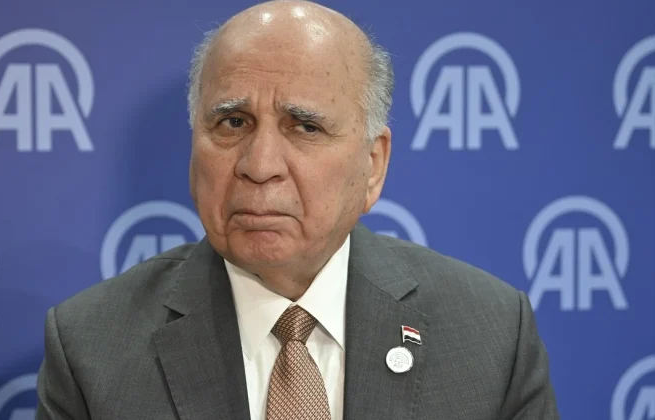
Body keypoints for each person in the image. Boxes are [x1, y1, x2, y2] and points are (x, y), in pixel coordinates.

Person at [36, 1, 559, 419]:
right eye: (233, 123)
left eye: (305, 127)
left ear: (373, 166)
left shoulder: (489, 337)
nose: (260, 166)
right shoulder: (92, 349)